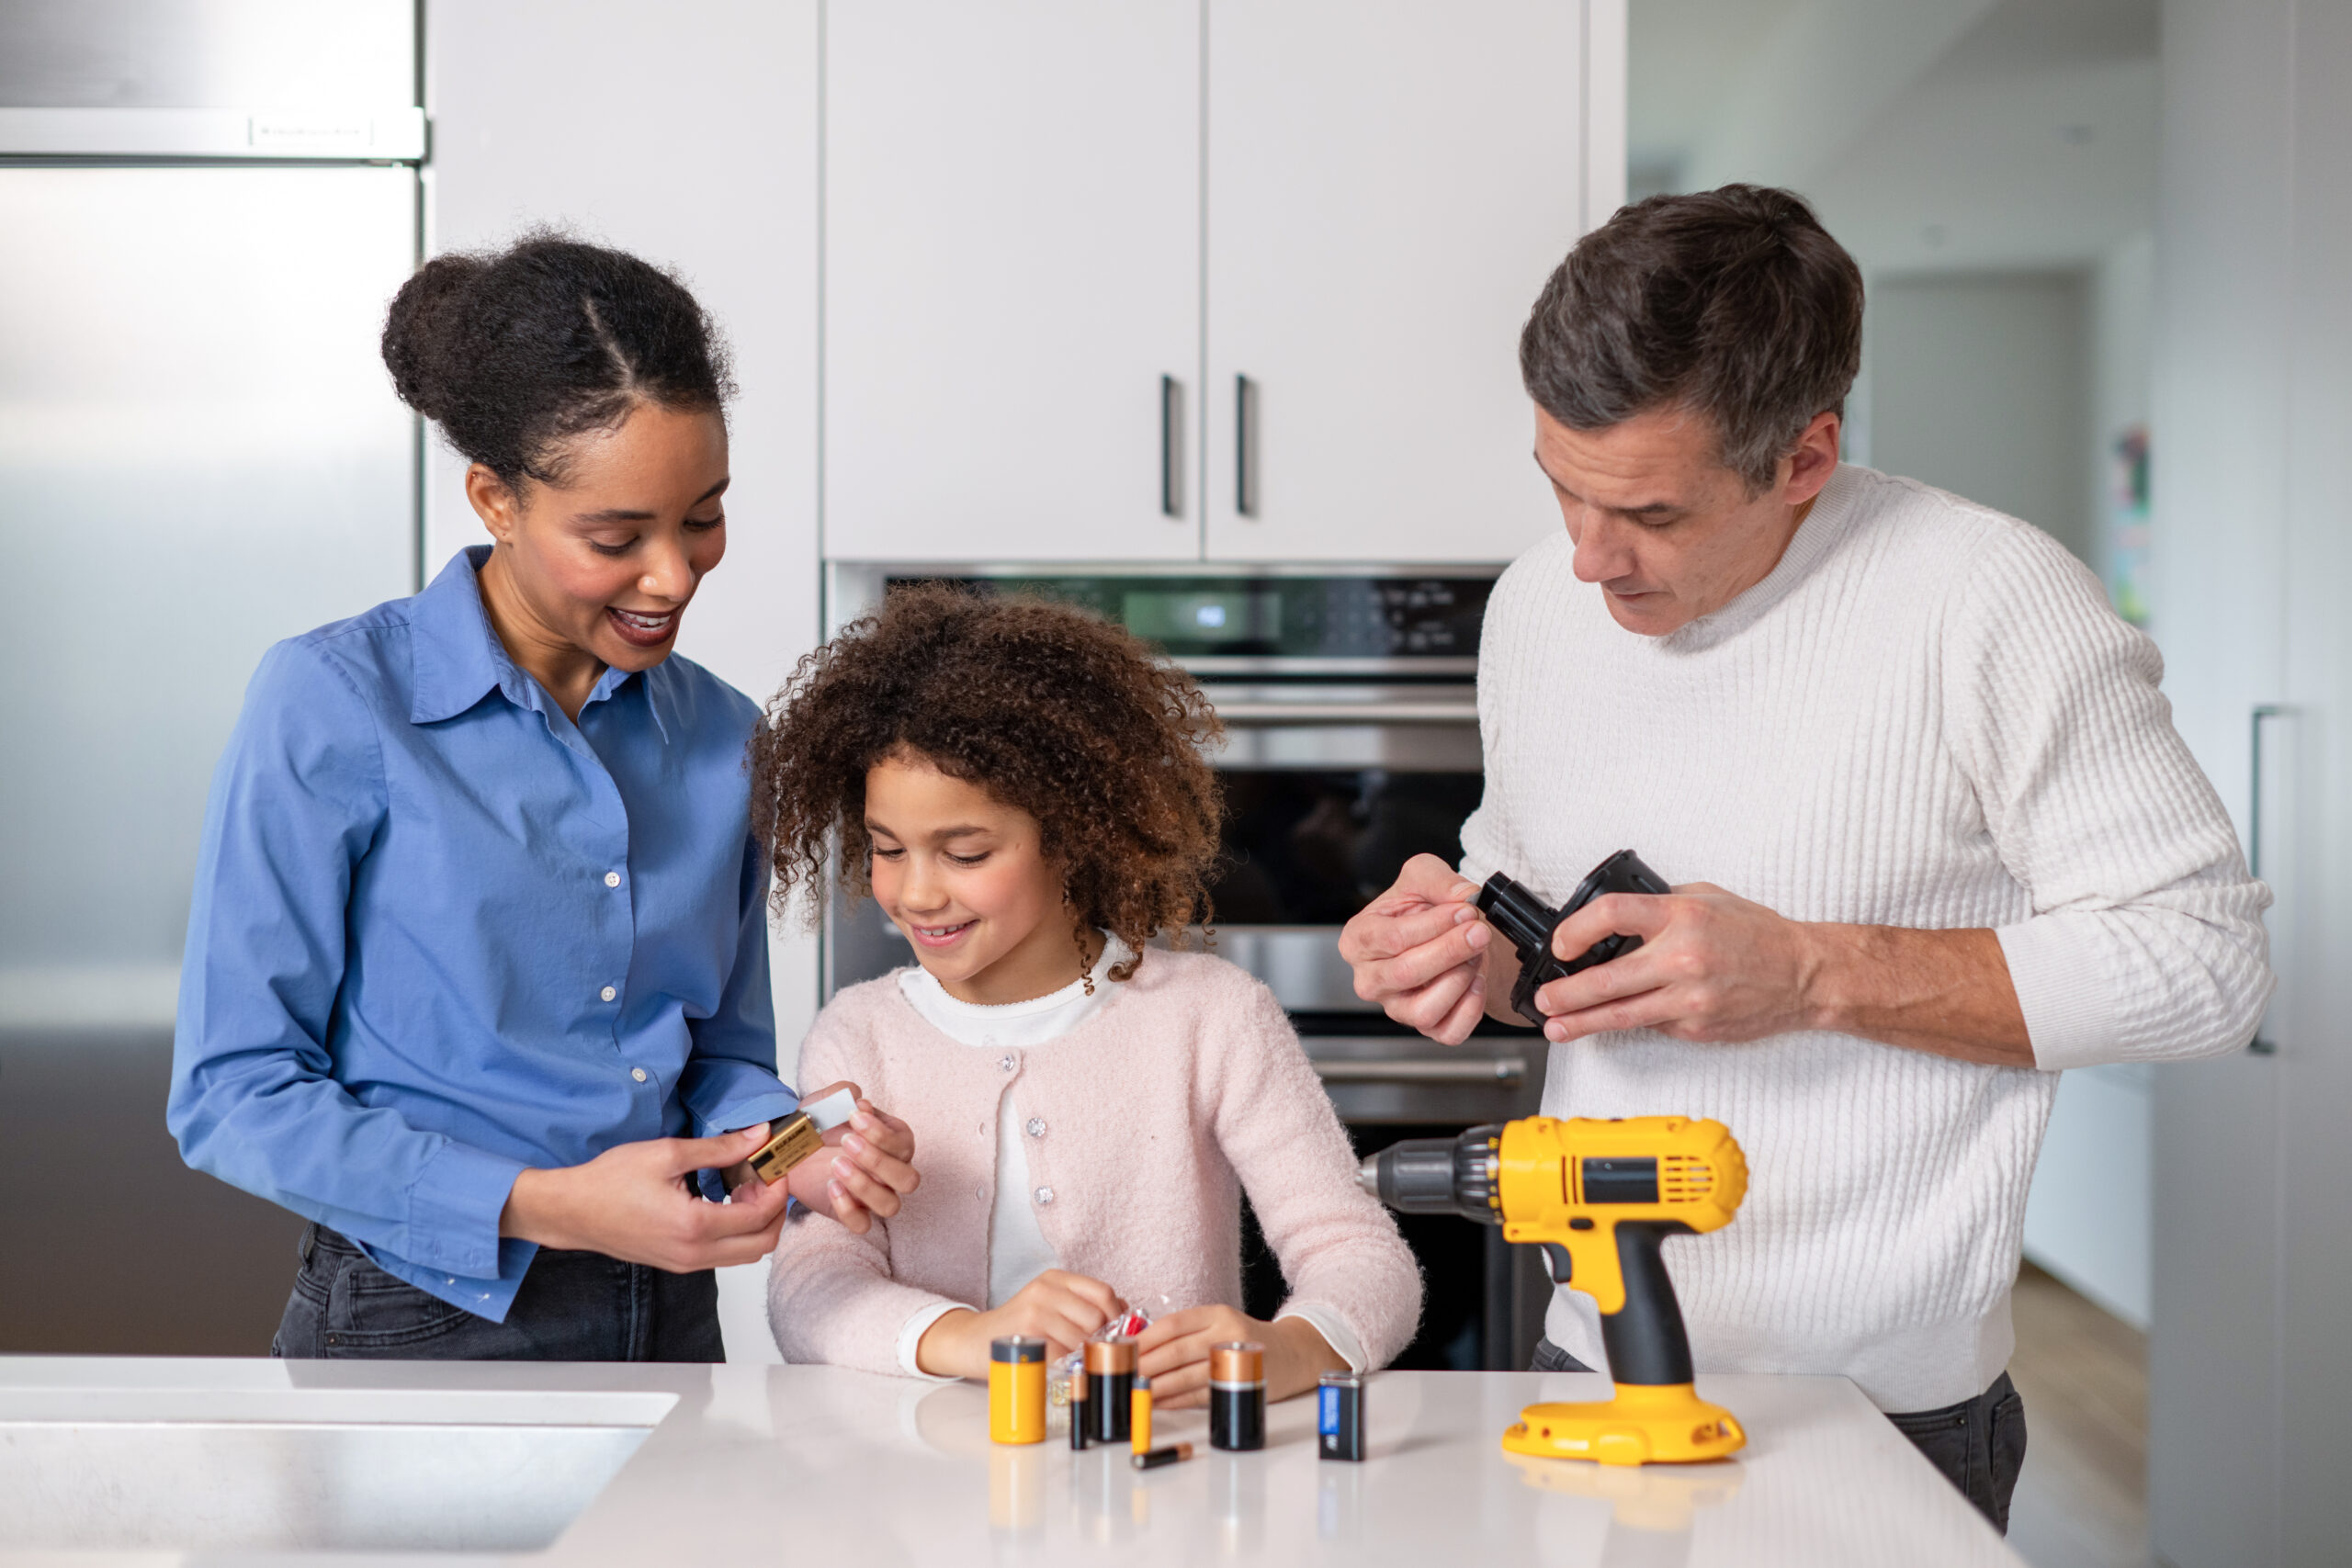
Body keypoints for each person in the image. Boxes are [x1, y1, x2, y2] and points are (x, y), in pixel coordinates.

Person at [1337, 186, 2271, 1528]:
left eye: (1650, 511)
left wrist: (1811, 970)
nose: (1592, 559)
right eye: (1561, 486)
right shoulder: (1536, 602)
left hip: (1883, 1408)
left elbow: (2207, 964)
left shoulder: (1991, 601)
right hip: (1588, 1365)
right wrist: (1463, 954)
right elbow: (1528, 920)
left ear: (1804, 456)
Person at [168, 234, 919, 1360]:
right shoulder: (335, 702)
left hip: (666, 1313)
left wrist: (791, 1144)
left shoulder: (722, 737)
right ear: (495, 500)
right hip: (419, 1316)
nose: (673, 576)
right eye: (616, 538)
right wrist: (548, 1204)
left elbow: (715, 1057)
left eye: (703, 516)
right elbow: (234, 1092)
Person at [752, 586, 1420, 1404]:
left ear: (1072, 836)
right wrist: (972, 1337)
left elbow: (1361, 1253)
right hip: (919, 1498)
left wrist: (1293, 1347)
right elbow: (809, 1291)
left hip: (1165, 1480)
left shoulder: (1212, 1017)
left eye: (964, 853)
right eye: (889, 848)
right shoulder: (859, 1035)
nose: (916, 893)